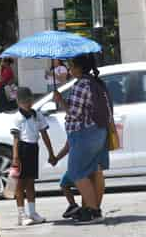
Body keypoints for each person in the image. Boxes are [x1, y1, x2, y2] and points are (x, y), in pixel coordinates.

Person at [53, 55, 113, 224]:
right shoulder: (96, 83)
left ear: (79, 67)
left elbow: (74, 113)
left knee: (76, 172)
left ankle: (93, 212)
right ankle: (92, 208)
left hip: (84, 134)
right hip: (100, 132)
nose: (70, 69)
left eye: (72, 66)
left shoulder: (81, 85)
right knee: (94, 171)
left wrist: (60, 101)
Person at [10, 87, 56, 226]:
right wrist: (16, 157)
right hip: (22, 149)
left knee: (30, 182)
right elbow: (16, 139)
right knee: (20, 184)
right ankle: (21, 214)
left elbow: (44, 134)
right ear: (18, 102)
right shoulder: (17, 117)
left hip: (33, 149)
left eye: (29, 101)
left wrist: (51, 153)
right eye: (24, 102)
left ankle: (32, 212)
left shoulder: (38, 115)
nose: (27, 104)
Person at [51, 141, 81, 219]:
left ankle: (75, 206)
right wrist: (56, 158)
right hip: (78, 163)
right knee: (65, 183)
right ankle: (78, 207)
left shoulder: (73, 130)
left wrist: (56, 158)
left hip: (77, 164)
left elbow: (67, 147)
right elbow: (67, 147)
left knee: (65, 184)